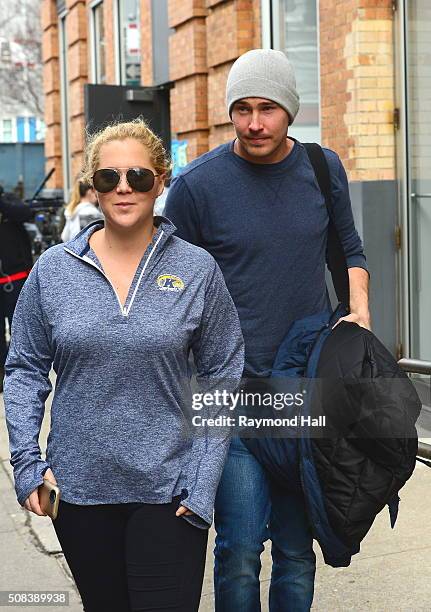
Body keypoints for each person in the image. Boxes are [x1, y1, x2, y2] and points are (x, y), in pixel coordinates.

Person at [4, 119, 244, 612]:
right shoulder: (54, 269)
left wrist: (200, 485)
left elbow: (222, 372)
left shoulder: (196, 268)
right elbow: (25, 369)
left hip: (168, 493)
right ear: (93, 186)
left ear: (161, 179)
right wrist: (28, 465)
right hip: (79, 493)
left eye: (137, 175)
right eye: (109, 178)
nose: (123, 188)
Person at [164, 49, 370, 611]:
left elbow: (348, 251)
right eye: (243, 109)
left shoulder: (322, 168)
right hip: (223, 394)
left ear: (290, 112)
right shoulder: (196, 187)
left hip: (301, 393)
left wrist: (360, 318)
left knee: (299, 553)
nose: (255, 123)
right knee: (236, 552)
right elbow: (164, 281)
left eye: (269, 109)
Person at [0, 186, 33, 392]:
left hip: (16, 281)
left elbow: (25, 213)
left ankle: (19, 374)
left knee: (19, 331)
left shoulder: (9, 201)